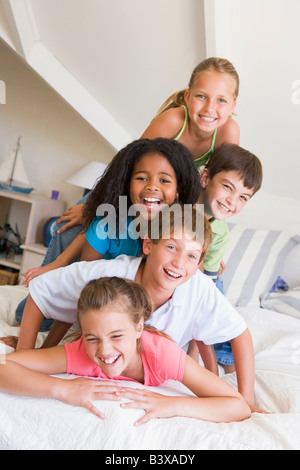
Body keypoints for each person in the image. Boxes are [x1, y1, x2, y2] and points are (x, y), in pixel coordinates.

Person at [11, 206, 263, 413]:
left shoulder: (196, 294)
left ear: (199, 263)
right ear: (148, 245)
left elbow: (240, 333)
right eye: (171, 247)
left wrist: (248, 399)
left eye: (191, 256)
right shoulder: (107, 276)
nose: (178, 262)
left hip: (160, 362)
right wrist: (27, 351)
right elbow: (41, 288)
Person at [21, 57, 240, 279]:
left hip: (165, 205)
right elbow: (131, 167)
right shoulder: (174, 120)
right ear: (187, 96)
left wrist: (202, 244)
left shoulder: (228, 132)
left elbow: (219, 189)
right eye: (201, 96)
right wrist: (93, 209)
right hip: (126, 192)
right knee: (73, 226)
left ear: (233, 105)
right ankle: (42, 285)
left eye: (221, 100)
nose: (210, 108)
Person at [0, 277, 251, 424]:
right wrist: (63, 389)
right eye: (92, 338)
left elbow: (238, 406)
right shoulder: (81, 352)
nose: (104, 350)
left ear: (139, 327)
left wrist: (173, 404)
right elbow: (4, 366)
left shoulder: (163, 355)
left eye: (117, 336)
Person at [14, 137, 200, 327]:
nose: (152, 186)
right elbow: (81, 283)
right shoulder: (109, 225)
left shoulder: (185, 238)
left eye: (164, 180)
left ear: (179, 190)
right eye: (142, 178)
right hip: (101, 296)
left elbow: (196, 299)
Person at [188, 143, 263, 369]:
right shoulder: (179, 205)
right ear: (205, 178)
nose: (232, 201)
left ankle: (227, 361)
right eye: (228, 187)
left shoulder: (220, 233)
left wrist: (193, 352)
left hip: (203, 278)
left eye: (243, 197)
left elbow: (205, 289)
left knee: (218, 306)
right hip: (181, 269)